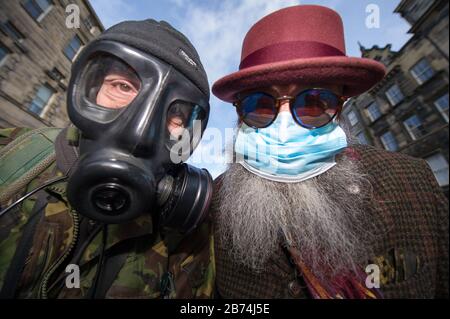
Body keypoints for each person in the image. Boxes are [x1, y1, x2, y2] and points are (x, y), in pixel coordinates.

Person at [210, 5, 449, 299]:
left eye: (313, 102)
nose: (284, 126)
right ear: (238, 112)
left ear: (341, 106)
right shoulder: (216, 202)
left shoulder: (413, 179)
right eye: (259, 105)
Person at [0, 19, 215, 299]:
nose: (140, 133)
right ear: (89, 89)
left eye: (176, 115)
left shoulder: (185, 240)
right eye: (123, 86)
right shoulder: (10, 155)